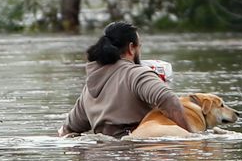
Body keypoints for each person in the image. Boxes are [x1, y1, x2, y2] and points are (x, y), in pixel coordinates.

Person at [58, 21, 192, 138]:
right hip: (136, 154)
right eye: (140, 46)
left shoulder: (89, 85)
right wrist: (191, 136)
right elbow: (169, 100)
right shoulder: (137, 74)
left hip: (99, 160)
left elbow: (67, 129)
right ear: (131, 48)